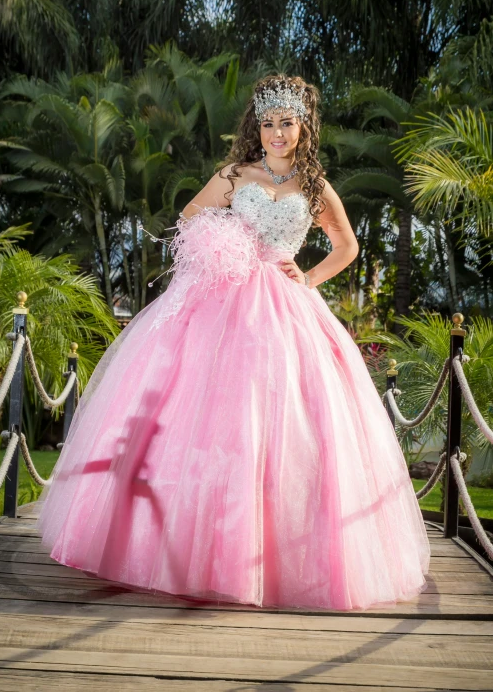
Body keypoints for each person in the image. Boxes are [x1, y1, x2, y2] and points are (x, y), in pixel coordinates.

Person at [37, 74, 430, 610]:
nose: (276, 133)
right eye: (268, 123)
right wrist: (223, 242)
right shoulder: (235, 173)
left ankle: (273, 560)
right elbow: (190, 216)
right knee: (208, 416)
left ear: (303, 127)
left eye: (286, 123)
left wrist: (309, 278)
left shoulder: (314, 185)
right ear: (257, 126)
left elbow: (348, 246)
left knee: (287, 420)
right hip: (224, 297)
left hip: (287, 306)